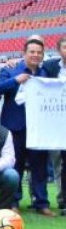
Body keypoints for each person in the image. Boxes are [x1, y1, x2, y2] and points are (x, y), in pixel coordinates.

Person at [0, 38, 54, 216]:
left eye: (39, 52)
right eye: (32, 52)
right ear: (24, 53)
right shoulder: (11, 69)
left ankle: (41, 202)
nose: (35, 55)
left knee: (40, 167)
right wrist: (16, 80)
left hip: (39, 128)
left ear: (43, 55)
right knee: (15, 166)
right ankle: (13, 202)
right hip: (14, 126)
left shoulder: (46, 73)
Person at [42, 37, 66, 215]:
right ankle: (61, 198)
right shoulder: (50, 66)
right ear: (59, 49)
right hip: (54, 123)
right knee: (57, 162)